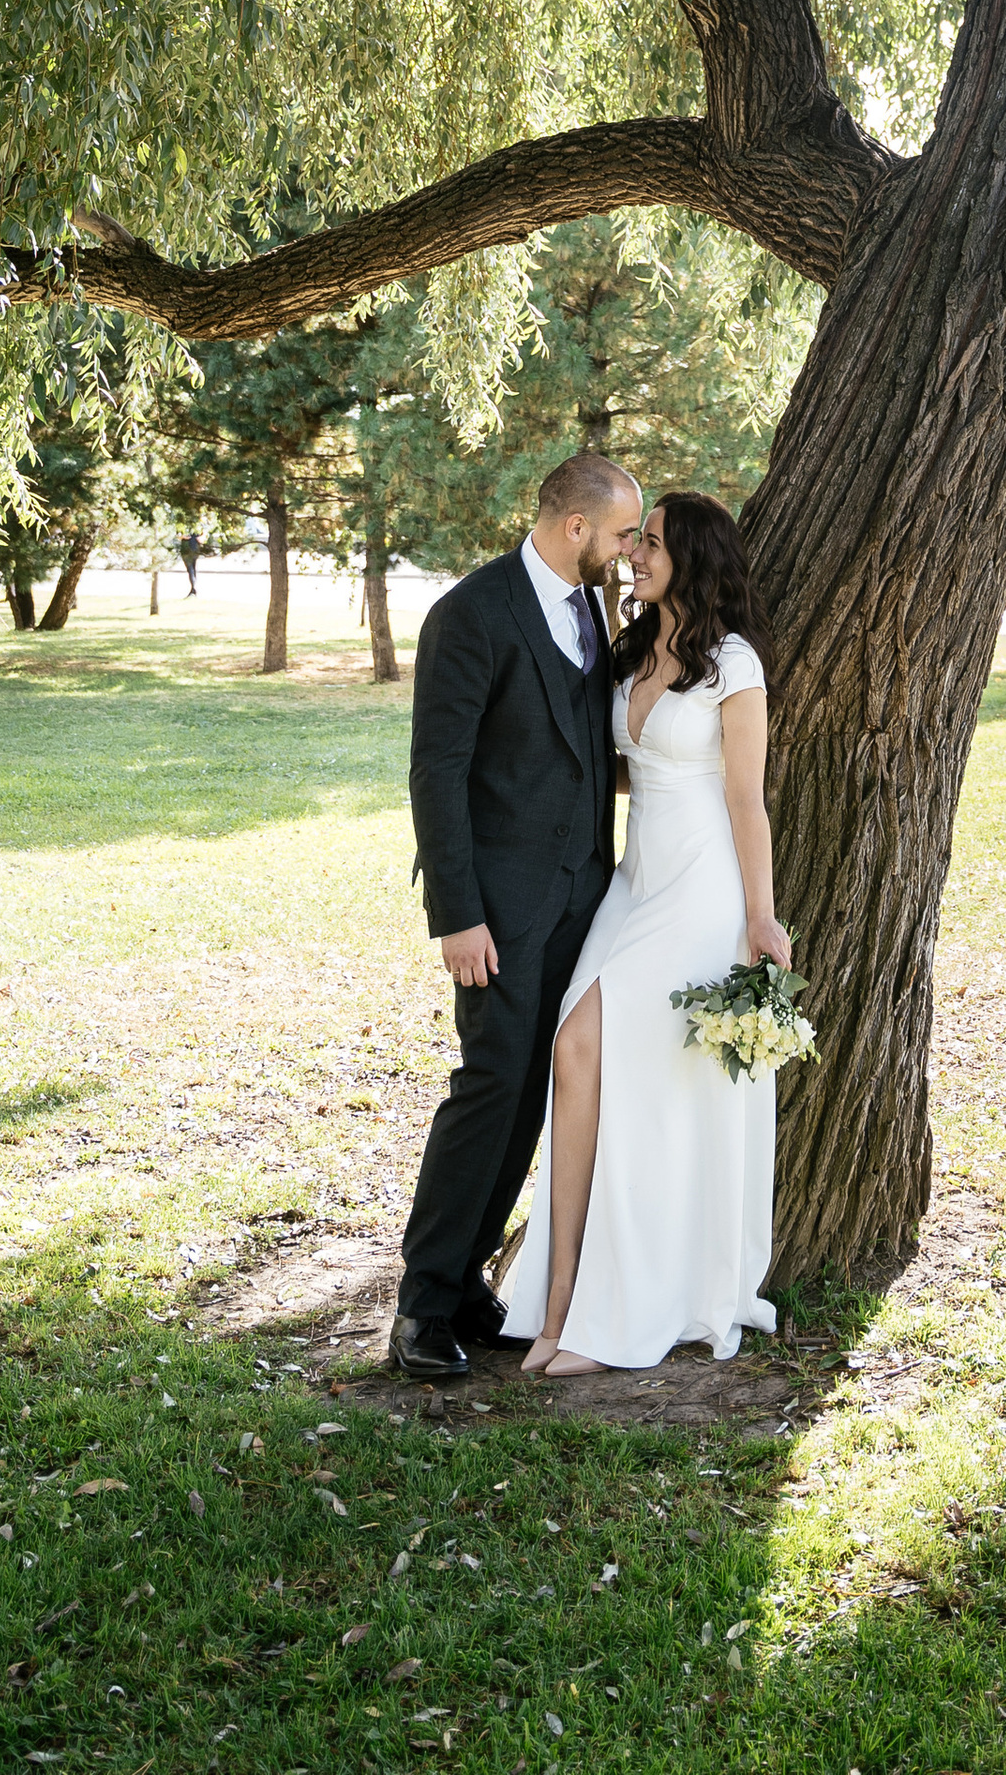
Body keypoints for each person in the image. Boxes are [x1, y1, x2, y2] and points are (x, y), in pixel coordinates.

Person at [503, 491, 790, 1376]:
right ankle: (555, 1302)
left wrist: (761, 914)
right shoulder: (628, 647)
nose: (635, 554)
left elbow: (747, 799)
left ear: (692, 557)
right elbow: (617, 772)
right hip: (634, 885)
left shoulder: (733, 665)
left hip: (702, 892)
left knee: (623, 1071)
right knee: (575, 1051)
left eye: (652, 542)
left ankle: (612, 1310)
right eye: (635, 540)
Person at [387, 449, 644, 1381]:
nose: (627, 549)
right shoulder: (470, 614)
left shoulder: (588, 605)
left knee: (538, 1089)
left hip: (583, 896)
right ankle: (421, 1304)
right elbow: (437, 771)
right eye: (621, 533)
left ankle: (465, 1286)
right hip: (495, 910)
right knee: (492, 1084)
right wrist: (457, 916)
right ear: (576, 527)